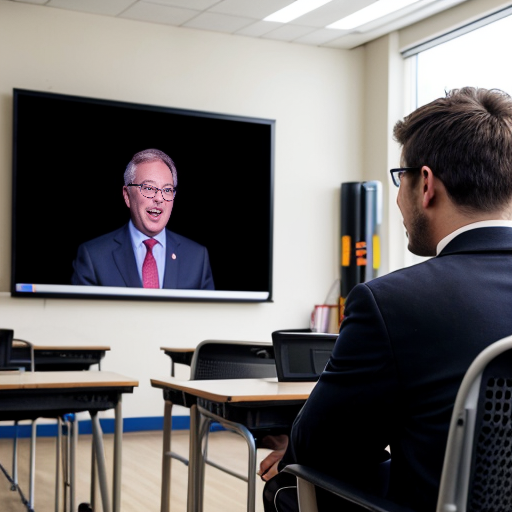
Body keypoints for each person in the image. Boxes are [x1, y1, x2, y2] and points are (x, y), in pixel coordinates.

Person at [261, 87, 512, 512]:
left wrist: (293, 438)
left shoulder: (392, 301)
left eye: (401, 179)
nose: (397, 198)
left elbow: (320, 448)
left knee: (288, 486)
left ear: (426, 185)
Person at [72, 148, 214, 290]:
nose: (159, 198)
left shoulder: (197, 258)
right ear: (127, 195)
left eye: (167, 190)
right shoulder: (93, 256)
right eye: (148, 188)